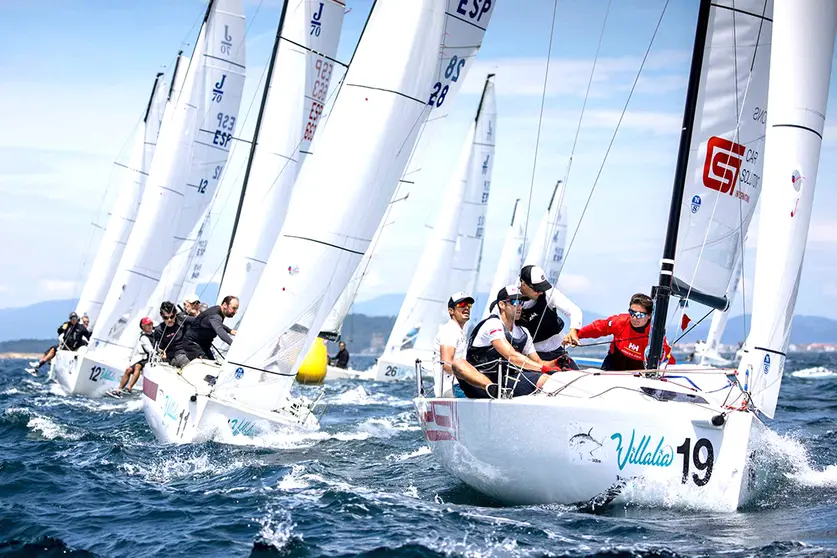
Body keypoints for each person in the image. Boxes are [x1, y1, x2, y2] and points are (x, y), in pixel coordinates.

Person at [459, 285, 563, 399]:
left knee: (546, 380)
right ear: (501, 305)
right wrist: (542, 368)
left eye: (521, 303)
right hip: (478, 384)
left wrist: (556, 363)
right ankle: (491, 388)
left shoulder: (523, 332)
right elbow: (511, 356)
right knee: (457, 362)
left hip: (505, 381)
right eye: (514, 302)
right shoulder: (493, 324)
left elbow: (538, 362)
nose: (519, 306)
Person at [573, 293, 675, 371]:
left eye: (640, 315)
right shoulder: (620, 322)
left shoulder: (655, 334)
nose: (634, 318)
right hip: (614, 363)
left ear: (649, 315)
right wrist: (576, 335)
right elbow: (598, 327)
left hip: (638, 369)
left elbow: (668, 357)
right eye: (632, 313)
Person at [516, 265, 582, 368]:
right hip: (532, 356)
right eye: (537, 289)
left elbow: (574, 310)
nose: (540, 292)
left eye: (542, 287)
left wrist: (573, 330)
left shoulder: (549, 293)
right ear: (523, 284)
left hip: (558, 352)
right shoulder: (511, 299)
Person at [432, 292, 474, 397]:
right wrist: (471, 376)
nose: (466, 308)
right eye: (461, 304)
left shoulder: (458, 331)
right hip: (451, 388)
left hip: (458, 386)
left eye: (468, 305)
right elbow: (446, 363)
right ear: (451, 311)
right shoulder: (450, 330)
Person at [176, 296, 239, 362]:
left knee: (214, 364)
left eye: (236, 309)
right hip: (193, 344)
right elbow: (219, 330)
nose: (235, 312)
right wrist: (234, 344)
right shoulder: (215, 316)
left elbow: (218, 324)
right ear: (225, 305)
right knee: (207, 365)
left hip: (204, 345)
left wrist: (229, 330)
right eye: (233, 308)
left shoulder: (217, 312)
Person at [109, 317, 155, 397]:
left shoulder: (156, 333)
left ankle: (129, 388)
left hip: (151, 358)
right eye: (148, 325)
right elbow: (149, 349)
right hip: (147, 358)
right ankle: (119, 389)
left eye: (151, 324)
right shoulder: (143, 337)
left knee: (137, 366)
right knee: (128, 370)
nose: (150, 326)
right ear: (143, 326)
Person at [153, 301, 190, 367]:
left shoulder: (183, 323)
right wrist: (161, 353)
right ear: (161, 316)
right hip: (175, 356)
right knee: (187, 361)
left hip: (189, 351)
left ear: (175, 314)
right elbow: (158, 348)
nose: (169, 320)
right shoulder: (159, 330)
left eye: (172, 316)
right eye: (166, 317)